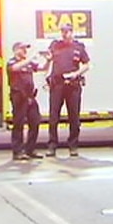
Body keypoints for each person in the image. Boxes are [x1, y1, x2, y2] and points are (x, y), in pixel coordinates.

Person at [45, 22, 91, 157]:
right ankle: (52, 146)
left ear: (72, 32)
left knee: (74, 117)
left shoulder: (79, 47)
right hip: (57, 84)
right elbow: (48, 60)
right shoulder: (55, 45)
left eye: (67, 31)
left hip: (72, 85)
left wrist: (75, 74)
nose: (65, 34)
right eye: (63, 31)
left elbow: (87, 64)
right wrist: (47, 60)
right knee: (53, 117)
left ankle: (73, 145)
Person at [6, 41, 48, 161]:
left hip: (30, 97)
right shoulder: (12, 62)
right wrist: (30, 58)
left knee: (35, 122)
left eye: (26, 49)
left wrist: (49, 60)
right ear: (16, 50)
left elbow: (42, 68)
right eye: (23, 49)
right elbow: (14, 69)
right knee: (18, 124)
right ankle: (18, 151)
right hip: (19, 97)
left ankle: (30, 149)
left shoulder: (29, 64)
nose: (25, 51)